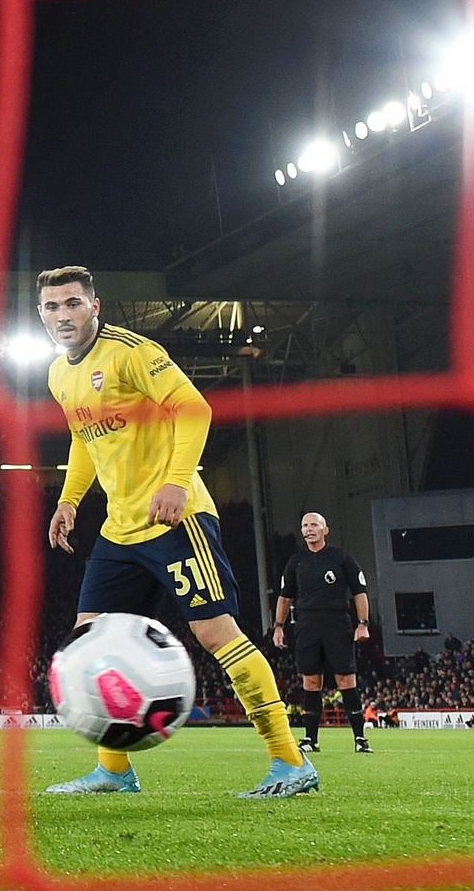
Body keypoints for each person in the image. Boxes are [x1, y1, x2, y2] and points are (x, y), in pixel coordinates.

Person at [38, 266, 316, 799]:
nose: (62, 315)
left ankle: (290, 761)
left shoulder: (130, 352)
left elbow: (195, 408)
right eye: (52, 307)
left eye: (72, 303)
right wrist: (69, 500)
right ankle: (114, 770)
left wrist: (177, 482)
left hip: (175, 519)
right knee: (92, 638)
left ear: (95, 307)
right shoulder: (58, 374)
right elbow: (82, 441)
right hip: (119, 531)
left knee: (217, 635)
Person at [272, 512, 372, 754]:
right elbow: (285, 597)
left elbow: (359, 592)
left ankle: (360, 738)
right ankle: (310, 739)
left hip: (337, 623)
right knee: (311, 681)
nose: (309, 529)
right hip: (306, 624)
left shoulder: (341, 558)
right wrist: (278, 627)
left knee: (346, 680)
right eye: (305, 525)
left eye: (314, 525)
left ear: (325, 530)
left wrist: (363, 623)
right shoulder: (296, 562)